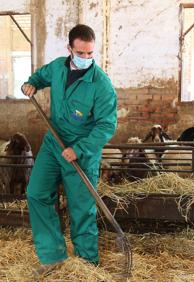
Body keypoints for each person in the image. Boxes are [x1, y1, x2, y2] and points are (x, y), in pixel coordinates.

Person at [22, 24, 117, 277]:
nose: (86, 58)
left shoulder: (101, 84)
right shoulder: (57, 68)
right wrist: (31, 84)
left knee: (81, 208)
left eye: (90, 53)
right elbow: (39, 78)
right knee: (37, 192)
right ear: (70, 49)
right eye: (81, 53)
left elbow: (107, 125)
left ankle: (86, 264)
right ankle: (53, 256)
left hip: (81, 152)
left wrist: (80, 148)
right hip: (54, 143)